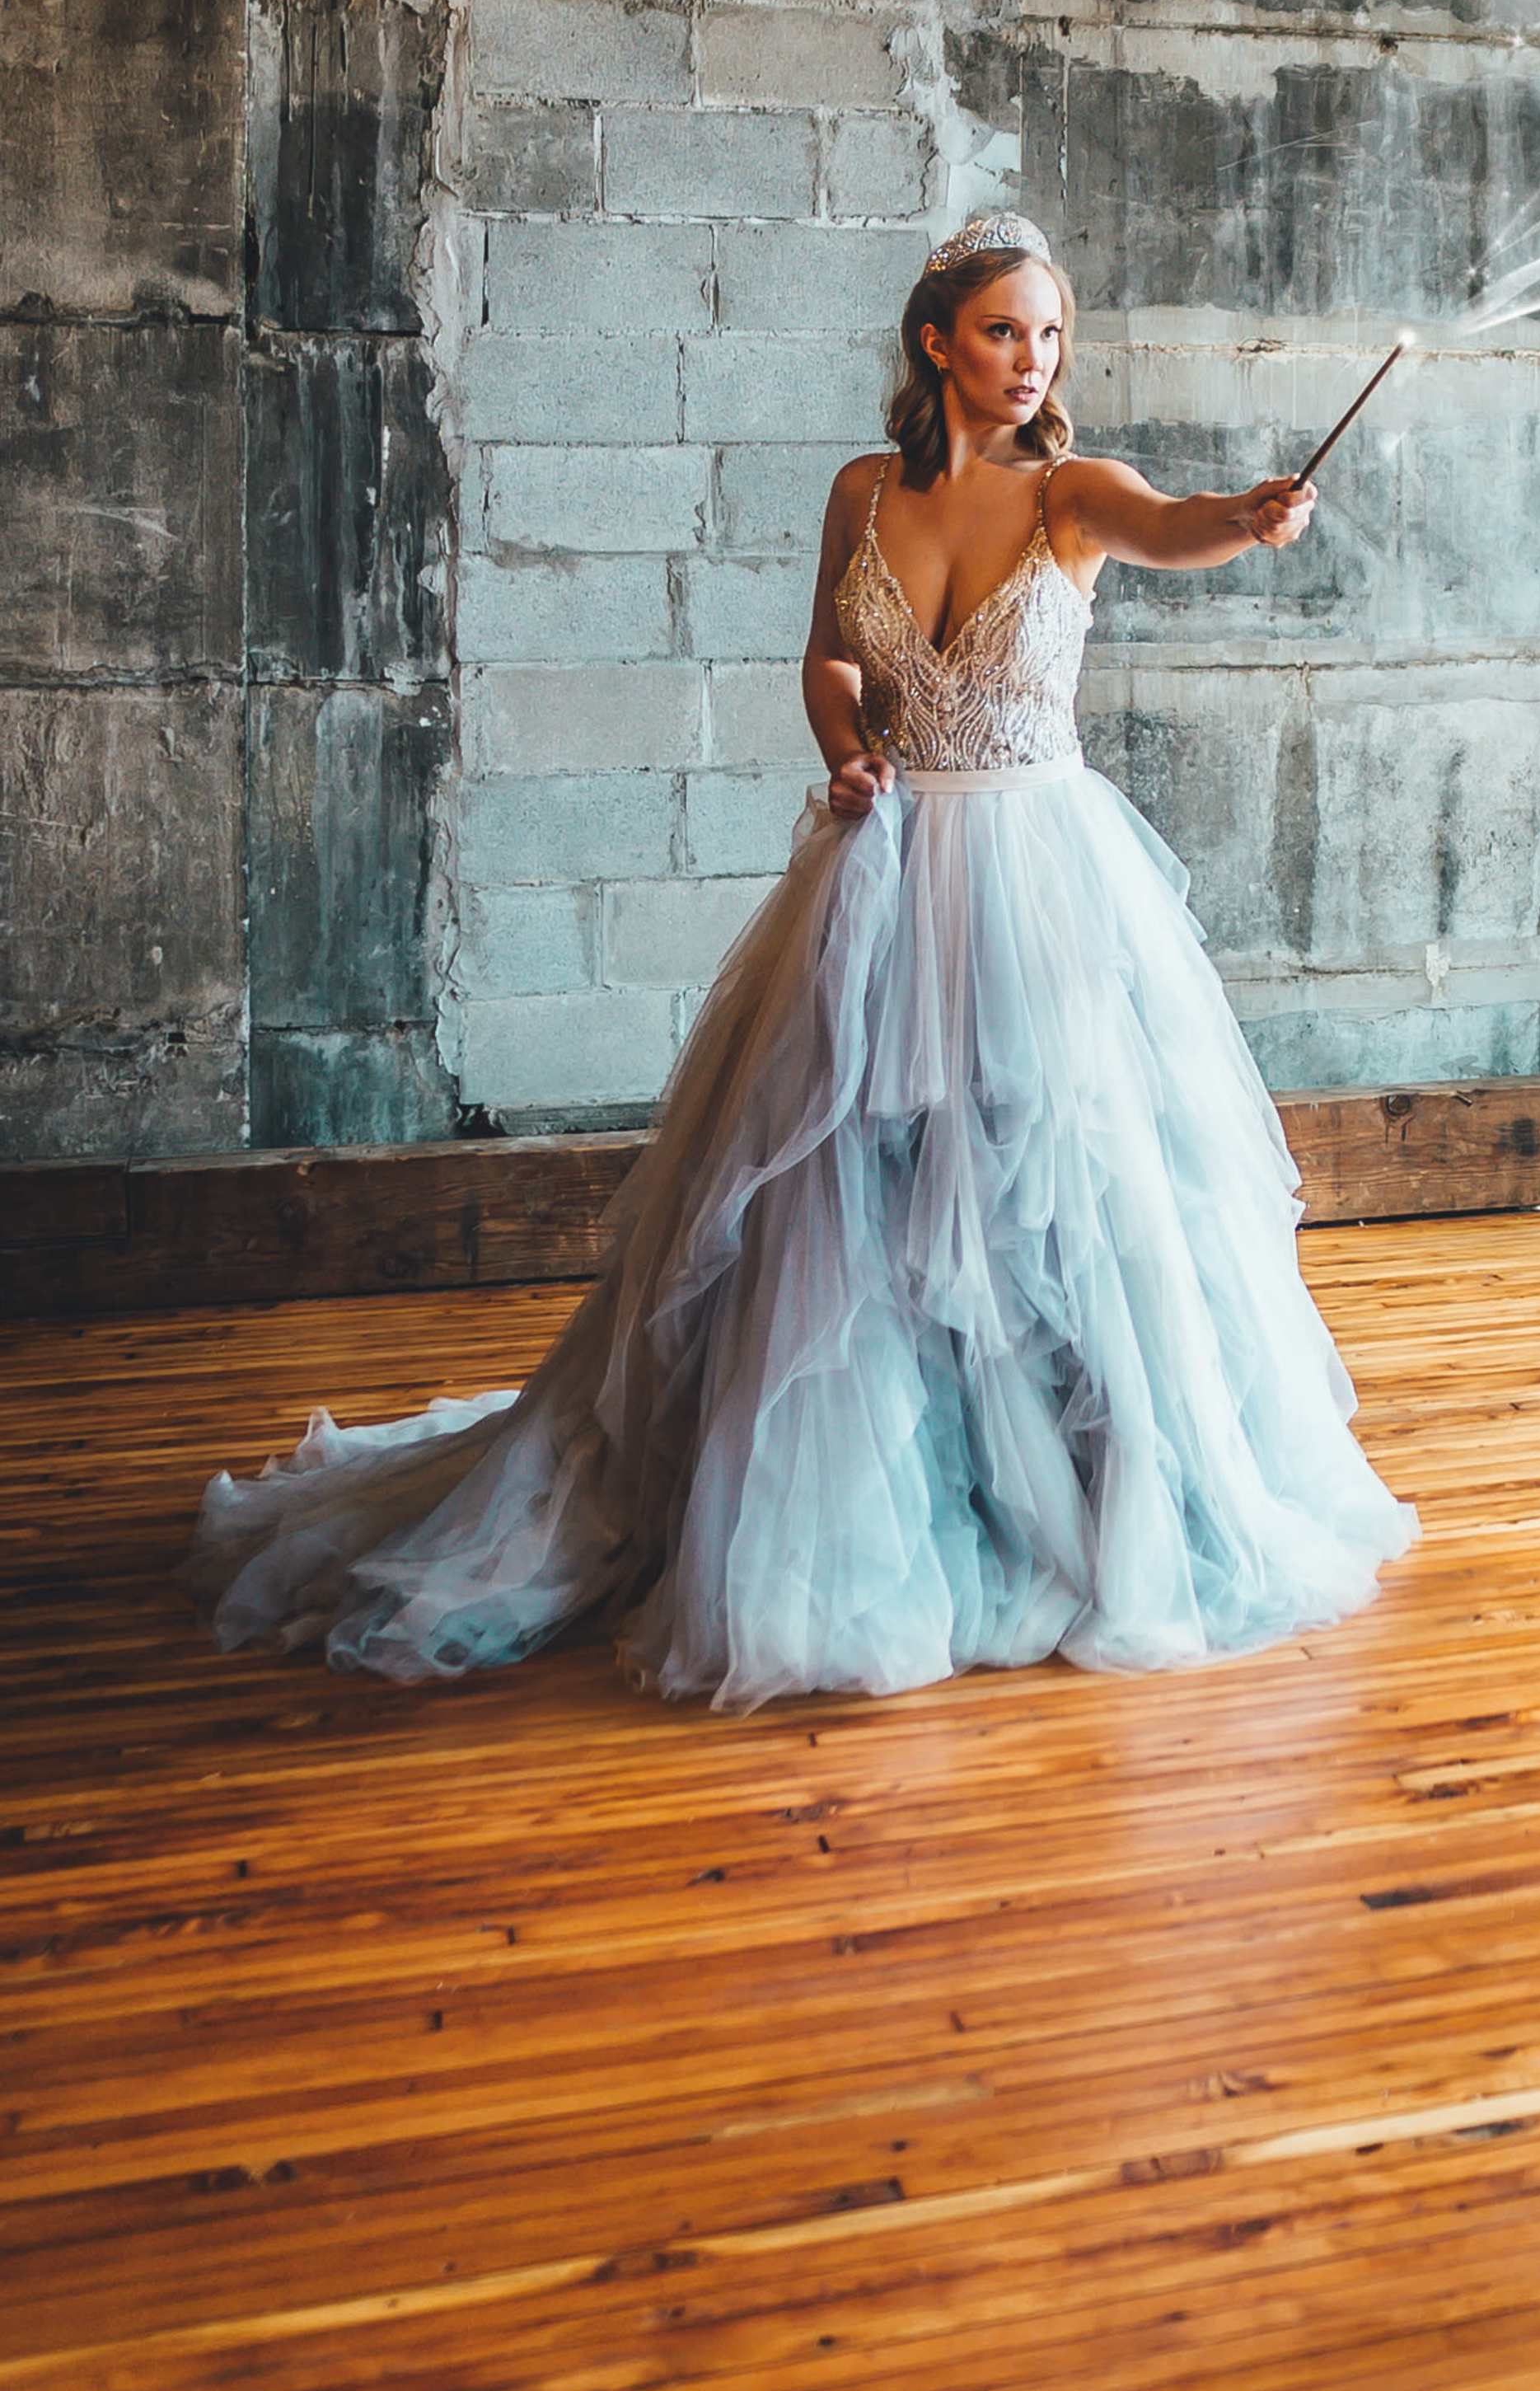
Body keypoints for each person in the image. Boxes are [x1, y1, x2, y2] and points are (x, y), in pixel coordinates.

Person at [190, 216, 1415, 1707]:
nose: (1034, 363)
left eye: (1051, 337)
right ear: (935, 344)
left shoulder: (1074, 493)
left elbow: (1183, 523)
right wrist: (844, 752)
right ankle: (871, 1493)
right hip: (888, 866)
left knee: (1054, 1191)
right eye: (1005, 333)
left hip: (1038, 883)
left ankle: (1080, 1500)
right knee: (847, 1190)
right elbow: (833, 660)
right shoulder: (861, 494)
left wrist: (1254, 515)